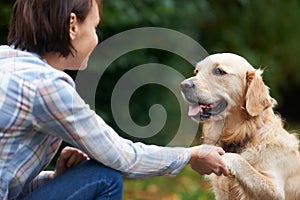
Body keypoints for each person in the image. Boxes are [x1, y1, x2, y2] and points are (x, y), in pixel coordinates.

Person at [0, 0, 229, 199]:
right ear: (72, 26)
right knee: (104, 177)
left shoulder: (6, 62)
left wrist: (56, 179)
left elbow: (8, 182)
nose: (96, 37)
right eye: (94, 26)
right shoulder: (46, 86)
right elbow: (121, 156)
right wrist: (190, 155)